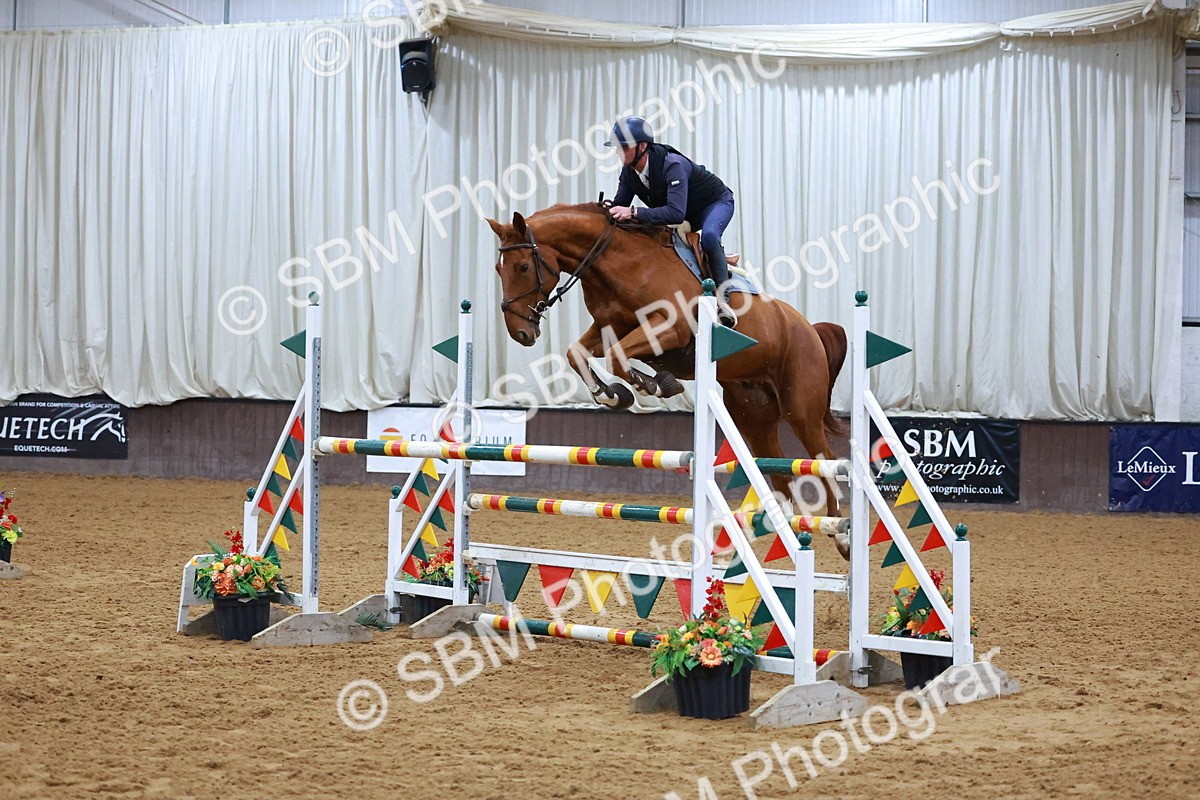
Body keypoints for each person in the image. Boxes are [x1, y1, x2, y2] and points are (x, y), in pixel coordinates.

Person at [604, 115, 739, 326]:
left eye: (623, 147)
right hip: (684, 212)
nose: (618, 152)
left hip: (714, 204)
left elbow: (675, 214)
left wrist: (633, 212)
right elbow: (620, 207)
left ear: (642, 146)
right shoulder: (629, 172)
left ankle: (723, 299)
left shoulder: (672, 165)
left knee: (710, 237)